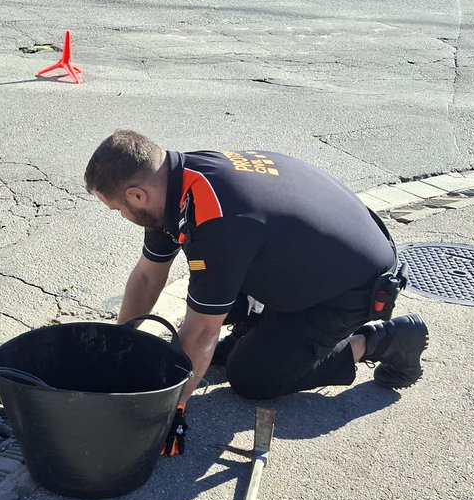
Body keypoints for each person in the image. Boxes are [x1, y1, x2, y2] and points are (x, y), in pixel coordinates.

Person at [85, 130, 427, 454]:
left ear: (136, 195)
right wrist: (120, 345)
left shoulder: (215, 218)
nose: (122, 216)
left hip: (348, 287)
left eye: (117, 210)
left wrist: (167, 413)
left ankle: (380, 341)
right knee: (208, 291)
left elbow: (203, 329)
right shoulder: (175, 184)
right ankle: (257, 333)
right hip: (302, 262)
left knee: (251, 378)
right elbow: (147, 277)